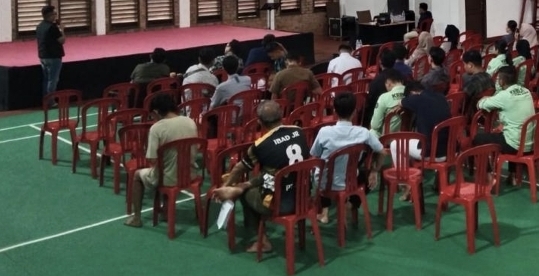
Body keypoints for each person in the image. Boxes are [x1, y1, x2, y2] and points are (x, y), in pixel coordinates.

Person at [211, 100, 310, 252]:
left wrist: (227, 185)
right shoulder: (298, 131)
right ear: (282, 116)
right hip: (304, 198)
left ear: (259, 122)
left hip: (280, 204)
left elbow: (239, 168)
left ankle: (263, 241)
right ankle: (242, 187)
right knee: (270, 176)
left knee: (245, 195)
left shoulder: (261, 145)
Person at [124, 93, 199, 228]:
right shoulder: (190, 121)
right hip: (191, 174)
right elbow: (197, 147)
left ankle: (136, 218)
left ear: (156, 112)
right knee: (168, 166)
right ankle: (165, 211)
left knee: (137, 175)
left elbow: (152, 159)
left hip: (168, 178)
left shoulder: (157, 128)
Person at [310, 92, 386, 223]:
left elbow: (315, 155)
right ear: (354, 112)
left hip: (325, 183)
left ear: (335, 111)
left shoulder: (324, 132)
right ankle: (351, 205)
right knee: (368, 177)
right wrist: (374, 171)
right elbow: (382, 151)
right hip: (350, 182)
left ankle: (324, 212)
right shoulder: (363, 132)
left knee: (322, 167)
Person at [474, 65, 535, 185]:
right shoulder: (526, 91)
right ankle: (512, 176)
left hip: (515, 145)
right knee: (510, 131)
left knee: (478, 139)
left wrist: (485, 98)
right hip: (530, 143)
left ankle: (490, 178)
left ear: (502, 80)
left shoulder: (504, 96)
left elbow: (481, 104)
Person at [399, 81, 451, 165]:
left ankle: (403, 177)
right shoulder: (441, 97)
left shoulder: (417, 98)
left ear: (412, 93)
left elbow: (401, 102)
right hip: (451, 150)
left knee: (396, 144)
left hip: (433, 153)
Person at [36, 5, 66, 100]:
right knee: (53, 80)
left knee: (46, 79)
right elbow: (62, 40)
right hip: (53, 56)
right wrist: (62, 30)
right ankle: (50, 101)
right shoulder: (52, 27)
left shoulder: (40, 26)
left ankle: (45, 100)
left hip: (43, 55)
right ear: (50, 15)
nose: (56, 16)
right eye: (55, 14)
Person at [364, 50, 397, 127]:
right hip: (399, 118)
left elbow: (371, 102)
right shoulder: (402, 77)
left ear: (380, 62)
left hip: (380, 119)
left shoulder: (376, 81)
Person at [370, 70, 406, 137]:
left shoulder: (384, 97)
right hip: (407, 137)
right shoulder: (411, 95)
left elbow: (375, 125)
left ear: (389, 82)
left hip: (387, 139)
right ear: (402, 81)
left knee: (372, 131)